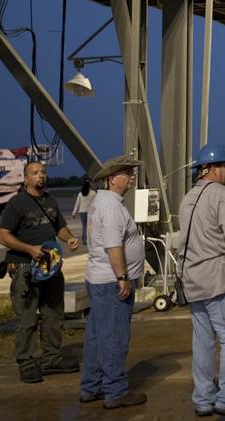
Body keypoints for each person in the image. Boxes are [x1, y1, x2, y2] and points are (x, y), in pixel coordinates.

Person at [177, 143, 225, 419]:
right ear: (209, 168)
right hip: (218, 278)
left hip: (193, 280)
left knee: (202, 341)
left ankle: (203, 400)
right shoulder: (223, 196)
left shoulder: (188, 198)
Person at [0, 159, 81, 383]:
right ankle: (26, 363)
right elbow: (3, 236)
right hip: (25, 268)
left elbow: (58, 227)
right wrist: (29, 250)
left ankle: (51, 358)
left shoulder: (50, 201)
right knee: (27, 318)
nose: (40, 176)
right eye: (35, 173)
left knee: (53, 314)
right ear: (26, 179)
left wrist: (70, 238)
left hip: (50, 268)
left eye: (43, 172)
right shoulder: (17, 203)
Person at [79, 156, 147, 409]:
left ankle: (91, 386)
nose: (131, 177)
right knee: (115, 337)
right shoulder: (111, 206)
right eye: (126, 173)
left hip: (99, 279)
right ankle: (115, 391)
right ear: (111, 179)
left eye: (131, 173)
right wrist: (123, 277)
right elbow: (113, 245)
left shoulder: (104, 202)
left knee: (97, 335)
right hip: (111, 281)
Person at [72, 177, 95, 242]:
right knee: (90, 226)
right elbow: (96, 204)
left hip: (82, 212)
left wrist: (74, 213)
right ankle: (90, 240)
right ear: (90, 185)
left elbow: (77, 204)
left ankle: (84, 240)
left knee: (84, 226)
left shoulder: (80, 194)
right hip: (90, 212)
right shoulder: (93, 193)